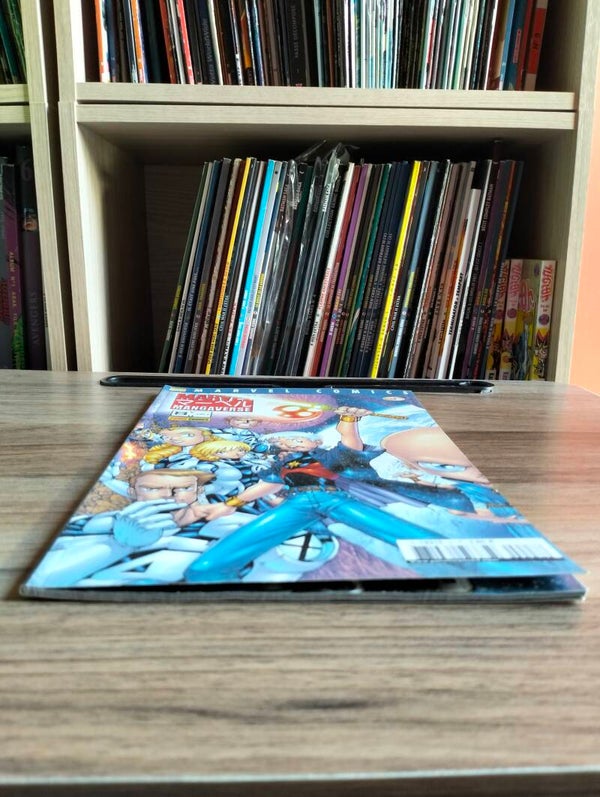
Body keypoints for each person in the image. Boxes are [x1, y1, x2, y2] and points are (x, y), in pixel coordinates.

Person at [184, 408, 443, 583]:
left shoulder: (327, 456)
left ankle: (453, 555)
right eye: (286, 442)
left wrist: (349, 419)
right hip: (297, 502)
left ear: (314, 443)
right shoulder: (283, 465)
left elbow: (350, 444)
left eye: (299, 440)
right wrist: (228, 505)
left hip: (332, 498)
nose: (292, 443)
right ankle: (209, 572)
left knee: (397, 530)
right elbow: (266, 486)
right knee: (222, 556)